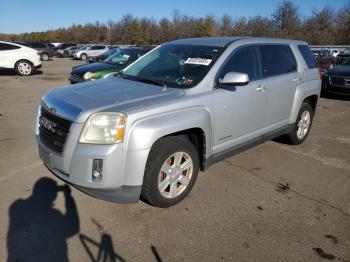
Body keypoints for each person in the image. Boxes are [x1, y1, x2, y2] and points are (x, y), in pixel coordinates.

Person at [7, 177, 80, 262]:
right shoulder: (54, 215)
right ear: (52, 195)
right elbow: (73, 228)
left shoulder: (16, 207)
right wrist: (68, 196)